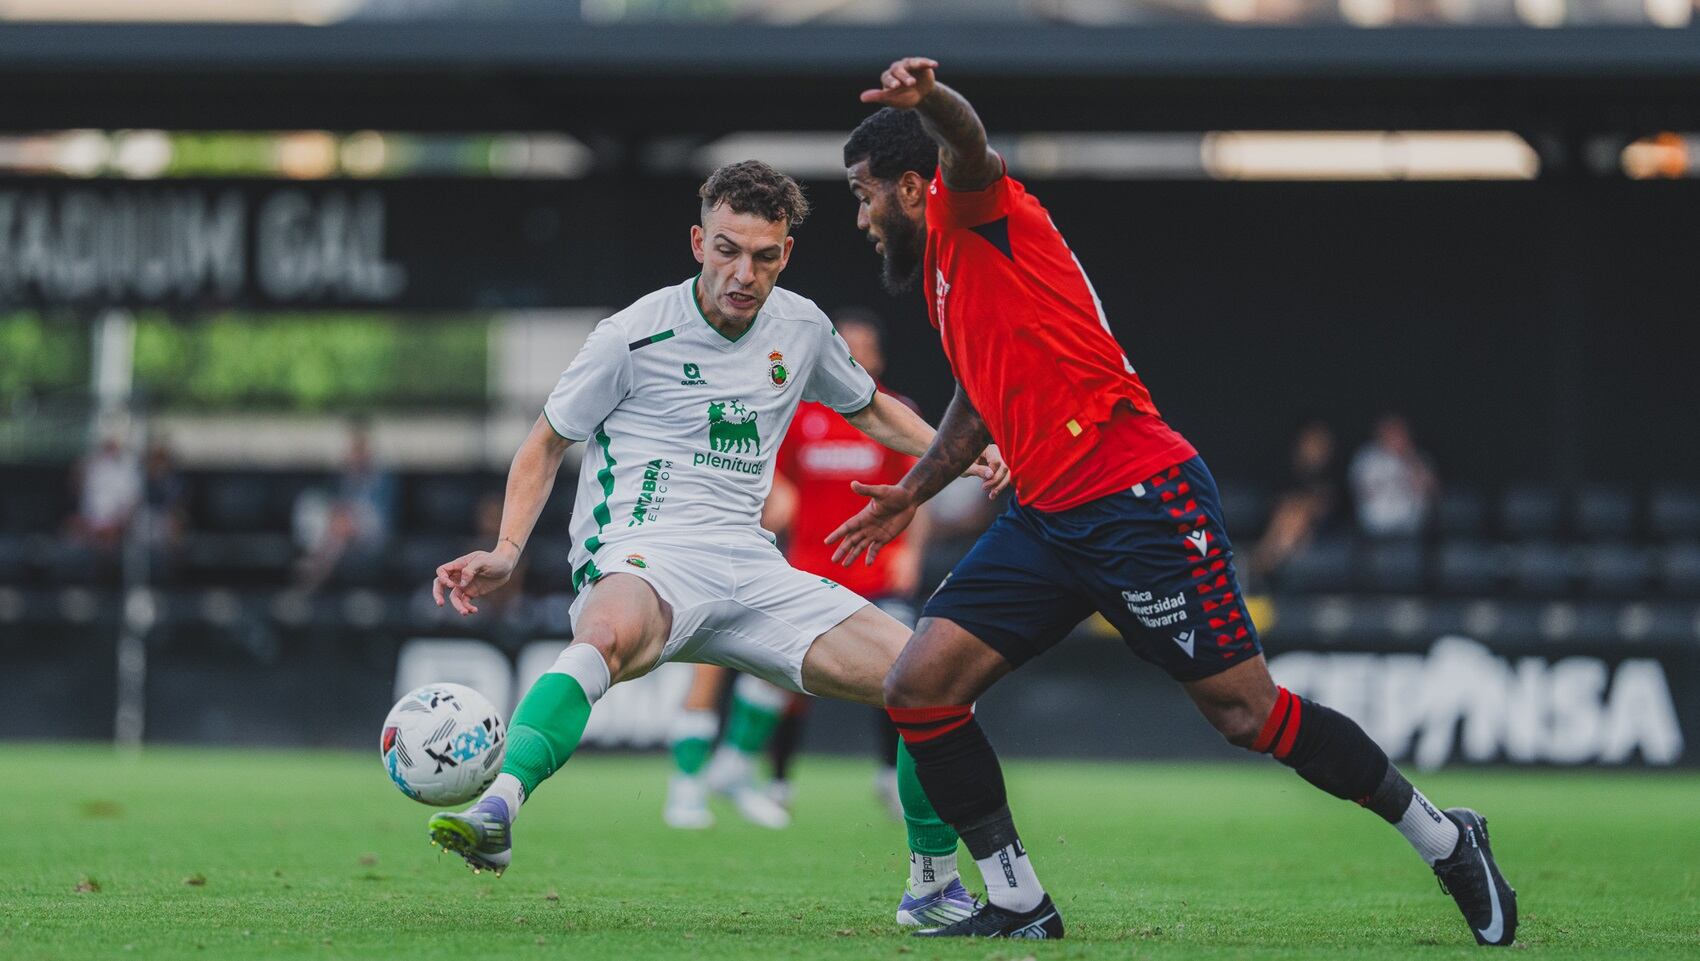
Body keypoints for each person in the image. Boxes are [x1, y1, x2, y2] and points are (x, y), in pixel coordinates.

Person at [831, 59, 1516, 945]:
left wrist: (931, 103)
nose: (860, 214)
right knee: (917, 688)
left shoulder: (973, 205)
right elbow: (977, 395)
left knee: (1248, 714)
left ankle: (1445, 836)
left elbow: (966, 140)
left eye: (863, 194)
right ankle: (1017, 900)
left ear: (913, 187)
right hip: (1047, 517)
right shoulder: (941, 274)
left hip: (1137, 496)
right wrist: (913, 492)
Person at [426, 160, 1008, 929]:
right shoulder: (632, 335)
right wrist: (506, 548)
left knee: (928, 678)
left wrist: (956, 450)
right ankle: (498, 807)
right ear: (699, 241)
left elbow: (869, 410)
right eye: (728, 250)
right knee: (607, 632)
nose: (744, 273)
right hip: (646, 547)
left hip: (754, 562)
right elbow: (543, 444)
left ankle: (932, 890)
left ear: (786, 255)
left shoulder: (800, 328)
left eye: (764, 256)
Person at [764, 311, 928, 819]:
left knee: (900, 672)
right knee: (792, 675)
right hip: (810, 569)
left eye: (862, 347)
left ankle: (888, 776)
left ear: (876, 357)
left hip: (876, 572)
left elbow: (916, 493)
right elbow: (778, 483)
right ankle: (777, 781)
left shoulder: (895, 414)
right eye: (844, 346)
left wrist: (910, 555)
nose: (853, 355)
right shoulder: (801, 415)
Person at [1251, 420, 1340, 581]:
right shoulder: (1288, 471)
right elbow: (1273, 501)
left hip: (1323, 533)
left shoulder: (1333, 474)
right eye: (1311, 443)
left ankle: (1260, 567)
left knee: (1297, 515)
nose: (1315, 448)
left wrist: (1303, 505)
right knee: (1291, 515)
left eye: (1320, 443)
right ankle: (1270, 563)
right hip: (1291, 533)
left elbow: (1329, 507)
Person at [1349, 413, 1438, 538]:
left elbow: (1432, 490)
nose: (1397, 437)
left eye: (1401, 433)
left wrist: (1410, 460)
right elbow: (1361, 491)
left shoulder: (1418, 457)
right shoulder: (1367, 457)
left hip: (1411, 529)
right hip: (1376, 528)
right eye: (1392, 432)